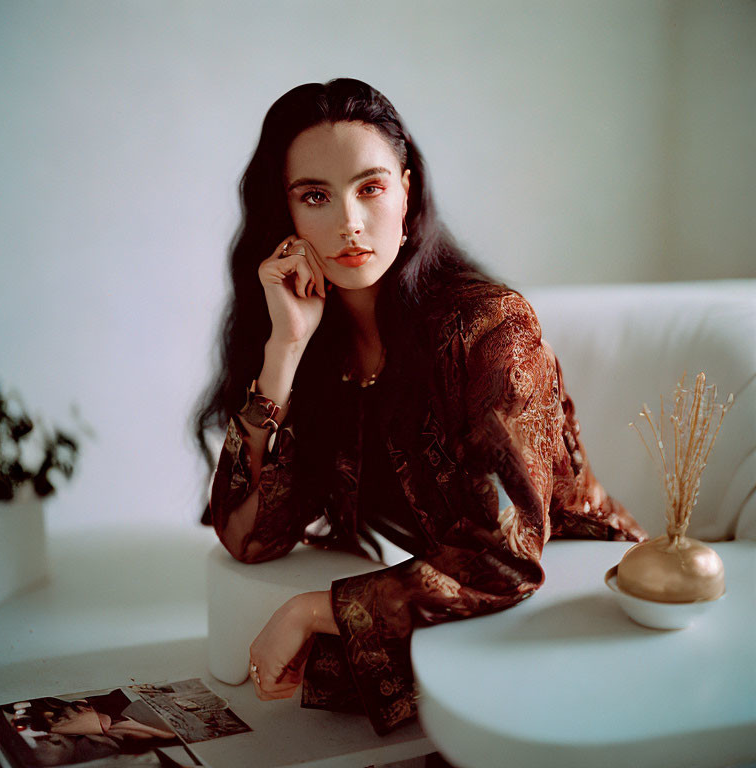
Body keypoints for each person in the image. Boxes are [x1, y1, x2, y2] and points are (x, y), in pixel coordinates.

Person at [194, 78, 647, 736]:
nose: (349, 221)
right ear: (286, 215)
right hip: (459, 611)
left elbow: (508, 556)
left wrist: (309, 611)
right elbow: (249, 538)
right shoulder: (319, 345)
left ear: (408, 188)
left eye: (371, 187)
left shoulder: (491, 327)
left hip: (578, 605)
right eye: (315, 195)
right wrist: (283, 352)